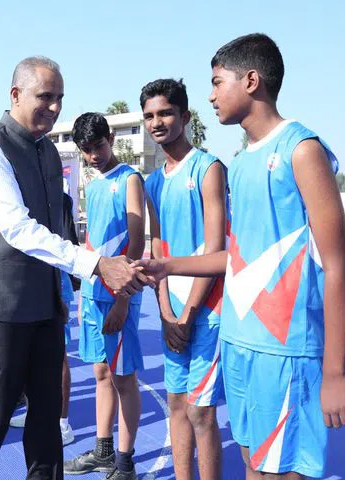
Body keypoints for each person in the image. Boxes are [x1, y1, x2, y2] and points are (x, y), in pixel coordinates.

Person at [136, 33, 345, 479]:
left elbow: (336, 267)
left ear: (251, 80)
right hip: (239, 341)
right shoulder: (241, 161)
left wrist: (334, 371)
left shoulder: (301, 149)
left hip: (285, 347)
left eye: (217, 82)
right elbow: (238, 258)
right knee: (252, 461)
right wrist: (167, 266)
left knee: (285, 470)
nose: (211, 95)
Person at [0, 55, 142, 480]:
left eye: (59, 99)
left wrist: (70, 290)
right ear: (15, 95)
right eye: (44, 97)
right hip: (0, 307)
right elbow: (18, 228)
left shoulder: (50, 153)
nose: (54, 108)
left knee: (47, 414)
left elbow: (61, 227)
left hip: (46, 305)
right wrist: (95, 266)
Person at [141, 78, 228, 480]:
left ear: (185, 116)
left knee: (201, 412)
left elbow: (215, 249)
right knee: (176, 404)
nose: (156, 122)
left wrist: (188, 314)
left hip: (205, 311)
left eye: (165, 113)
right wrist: (164, 312)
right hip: (171, 312)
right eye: (149, 116)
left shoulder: (208, 168)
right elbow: (157, 246)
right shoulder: (153, 181)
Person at [58, 113, 146, 480]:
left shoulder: (129, 179)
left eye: (98, 146)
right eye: (86, 150)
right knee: (99, 372)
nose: (93, 155)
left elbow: (138, 242)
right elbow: (92, 244)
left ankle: (125, 463)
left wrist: (124, 298)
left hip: (119, 296)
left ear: (111, 138)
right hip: (94, 295)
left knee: (123, 377)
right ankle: (104, 450)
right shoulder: (92, 186)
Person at [9, 191, 80, 447]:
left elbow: (63, 242)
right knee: (30, 355)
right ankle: (34, 411)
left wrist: (60, 291)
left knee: (58, 357)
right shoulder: (21, 196)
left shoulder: (57, 199)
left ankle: (62, 423)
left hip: (54, 282)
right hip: (27, 284)